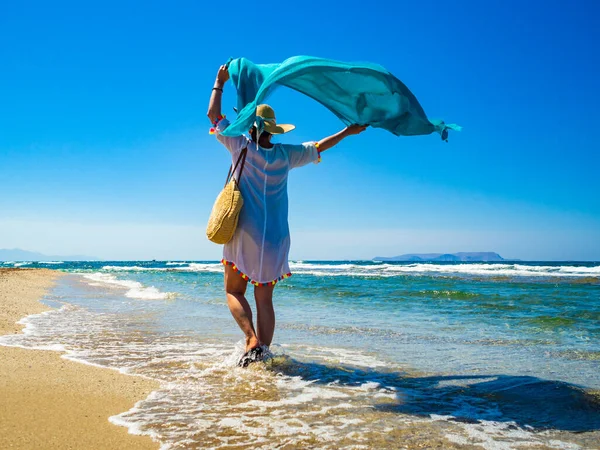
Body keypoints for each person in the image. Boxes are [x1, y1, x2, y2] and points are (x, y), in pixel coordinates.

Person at [207, 64, 367, 366]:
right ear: (273, 129)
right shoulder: (285, 155)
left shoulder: (239, 145)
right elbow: (319, 146)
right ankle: (262, 356)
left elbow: (213, 117)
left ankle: (251, 340)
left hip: (246, 232)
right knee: (264, 299)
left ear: (250, 126)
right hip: (277, 238)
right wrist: (348, 131)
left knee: (233, 290)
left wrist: (219, 81)